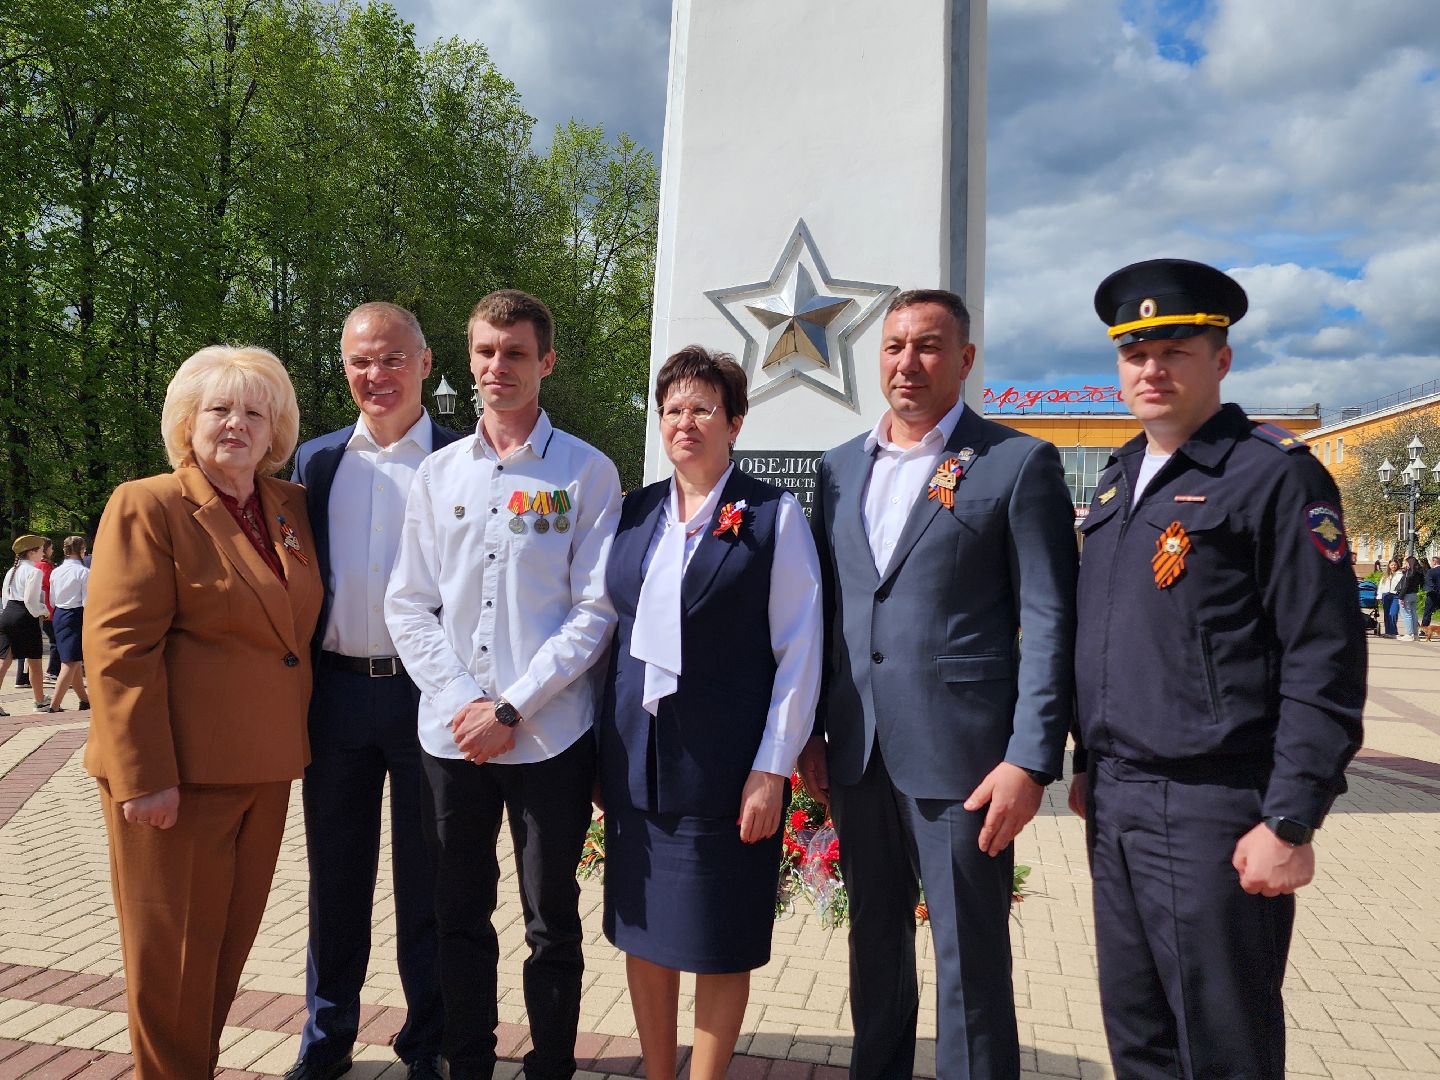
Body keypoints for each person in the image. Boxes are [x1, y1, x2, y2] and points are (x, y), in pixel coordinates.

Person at [1069, 259, 1367, 1079]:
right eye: (1135, 355)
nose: (1152, 370)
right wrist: (1090, 763)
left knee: (1222, 1043)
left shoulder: (1271, 474)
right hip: (1118, 803)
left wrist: (1292, 818)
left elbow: (1326, 656)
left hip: (1216, 808)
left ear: (1221, 359)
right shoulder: (1121, 479)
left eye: (1175, 350)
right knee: (1140, 1036)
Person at [798, 288, 1078, 1080]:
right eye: (893, 346)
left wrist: (1030, 760)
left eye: (927, 346)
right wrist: (815, 730)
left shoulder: (1018, 463)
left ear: (965, 359)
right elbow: (832, 610)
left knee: (970, 965)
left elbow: (1051, 621)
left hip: (965, 763)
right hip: (858, 754)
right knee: (873, 952)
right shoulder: (840, 469)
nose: (907, 363)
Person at [385, 289, 621, 1080]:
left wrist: (514, 706)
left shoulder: (587, 472)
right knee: (457, 914)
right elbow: (408, 602)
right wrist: (466, 707)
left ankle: (551, 1063)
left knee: (551, 921)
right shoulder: (437, 473)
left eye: (515, 352)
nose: (497, 367)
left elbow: (594, 612)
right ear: (468, 359)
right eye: (485, 351)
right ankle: (468, 1061)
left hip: (550, 738)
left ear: (546, 362)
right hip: (452, 741)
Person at [83, 345, 324, 1079]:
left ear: (276, 427)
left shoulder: (287, 507)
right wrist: (142, 777)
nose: (237, 424)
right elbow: (120, 649)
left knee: (220, 957)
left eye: (256, 411)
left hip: (267, 771)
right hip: (177, 782)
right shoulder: (148, 503)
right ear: (188, 421)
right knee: (172, 969)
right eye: (220, 409)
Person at [597, 346, 822, 1080]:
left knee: (719, 936)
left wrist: (771, 769)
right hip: (637, 767)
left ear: (735, 422)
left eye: (701, 408)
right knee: (644, 934)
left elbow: (799, 652)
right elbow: (604, 639)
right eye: (671, 410)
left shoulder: (770, 515)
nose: (684, 422)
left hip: (725, 772)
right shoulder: (633, 514)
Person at [284, 303, 455, 1080]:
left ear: (424, 363)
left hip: (431, 697)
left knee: (430, 880)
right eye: (360, 361)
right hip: (339, 697)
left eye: (391, 359)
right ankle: (327, 1041)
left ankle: (429, 1040)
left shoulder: (466, 457)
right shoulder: (313, 464)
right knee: (336, 879)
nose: (375, 375)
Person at [0, 536, 51, 713]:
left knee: (4, 661)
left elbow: (5, 597)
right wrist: (43, 611)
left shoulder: (12, 571)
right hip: (25, 616)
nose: (43, 552)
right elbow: (31, 601)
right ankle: (40, 701)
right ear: (31, 552)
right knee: (35, 660)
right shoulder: (35, 571)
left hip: (8, 614)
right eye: (40, 549)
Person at [46, 535, 90, 712]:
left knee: (73, 660)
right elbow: (87, 602)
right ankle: (54, 705)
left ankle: (84, 700)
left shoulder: (56, 571)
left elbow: (52, 600)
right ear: (81, 550)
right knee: (70, 662)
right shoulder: (84, 572)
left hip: (59, 614)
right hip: (76, 614)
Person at [1397, 555, 1425, 641]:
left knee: (1406, 614)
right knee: (1414, 614)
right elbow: (1422, 584)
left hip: (1406, 595)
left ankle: (1409, 634)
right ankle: (1415, 634)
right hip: (1414, 594)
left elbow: (1405, 586)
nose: (1404, 564)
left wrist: (1401, 597)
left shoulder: (1409, 573)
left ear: (1409, 563)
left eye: (1405, 562)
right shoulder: (1418, 572)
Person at [1382, 557, 1403, 637]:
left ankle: (1393, 632)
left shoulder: (1400, 574)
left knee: (1393, 613)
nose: (1393, 566)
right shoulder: (1386, 575)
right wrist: (1379, 596)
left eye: (1395, 565)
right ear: (1389, 566)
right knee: (1386, 614)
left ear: (1397, 565)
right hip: (1386, 595)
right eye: (1391, 565)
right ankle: (1388, 631)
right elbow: (1381, 585)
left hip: (1395, 596)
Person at [1421, 556, 1440, 634]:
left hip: (1433, 595)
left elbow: (1429, 583)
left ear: (1434, 562)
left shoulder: (1431, 571)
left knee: (1428, 612)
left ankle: (1424, 630)